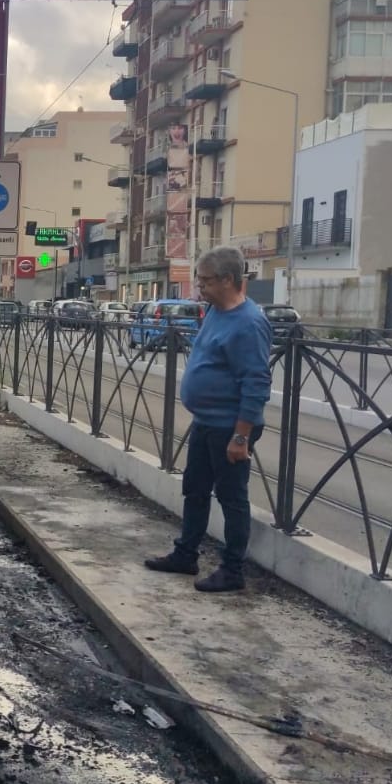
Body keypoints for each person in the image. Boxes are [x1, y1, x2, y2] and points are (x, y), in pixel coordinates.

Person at [145, 245, 272, 593]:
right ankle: (186, 554)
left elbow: (256, 382)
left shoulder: (249, 323)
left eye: (205, 281)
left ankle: (232, 570)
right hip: (206, 421)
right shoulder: (216, 311)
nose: (199, 289)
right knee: (195, 489)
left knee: (232, 497)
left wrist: (241, 436)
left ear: (228, 280)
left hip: (231, 427)